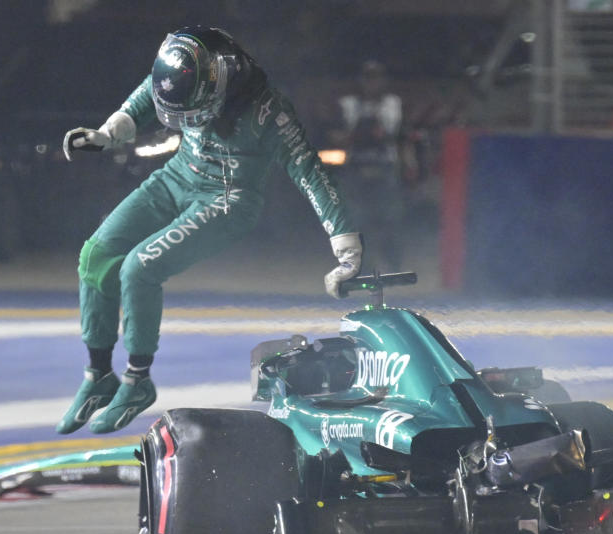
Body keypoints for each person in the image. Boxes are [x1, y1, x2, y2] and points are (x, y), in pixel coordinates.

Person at [58, 27, 361, 435]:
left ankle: (137, 380)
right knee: (96, 254)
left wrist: (345, 245)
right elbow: (152, 91)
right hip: (177, 176)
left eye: (192, 112)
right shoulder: (190, 69)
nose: (185, 122)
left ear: (222, 83)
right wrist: (109, 133)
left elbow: (310, 173)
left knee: (138, 269)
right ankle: (98, 375)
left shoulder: (269, 113)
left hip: (227, 199)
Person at [329, 60, 406, 270]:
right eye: (368, 78)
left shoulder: (392, 104)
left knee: (389, 218)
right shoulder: (349, 104)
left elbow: (396, 135)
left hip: (384, 167)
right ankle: (358, 263)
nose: (372, 83)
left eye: (377, 78)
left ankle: (393, 263)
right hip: (356, 168)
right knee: (356, 219)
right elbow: (336, 134)